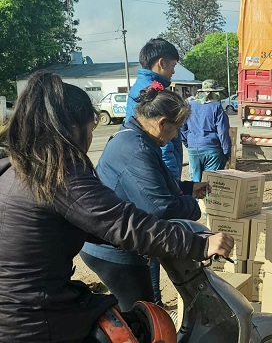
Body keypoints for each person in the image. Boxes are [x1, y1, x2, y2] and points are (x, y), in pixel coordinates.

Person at [0, 72, 234, 342]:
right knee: (146, 328)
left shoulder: (16, 165)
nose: (88, 141)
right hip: (35, 320)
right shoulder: (57, 172)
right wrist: (200, 244)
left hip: (19, 308)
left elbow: (98, 223)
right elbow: (122, 222)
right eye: (89, 131)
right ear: (71, 130)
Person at [80, 82, 211, 311]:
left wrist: (188, 188)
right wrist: (195, 206)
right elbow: (161, 209)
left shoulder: (137, 138)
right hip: (113, 248)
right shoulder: (136, 148)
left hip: (119, 238)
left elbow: (148, 185)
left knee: (138, 309)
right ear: (162, 124)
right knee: (142, 314)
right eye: (176, 128)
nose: (176, 135)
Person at [125, 38, 183, 182]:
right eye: (173, 65)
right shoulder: (154, 93)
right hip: (160, 168)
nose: (174, 71)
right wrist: (173, 181)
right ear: (162, 63)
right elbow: (163, 141)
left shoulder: (140, 87)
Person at [181, 79, 232, 181]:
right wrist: (227, 152)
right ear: (212, 94)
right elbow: (223, 132)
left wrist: (188, 143)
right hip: (212, 150)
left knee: (195, 183)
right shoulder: (216, 107)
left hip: (193, 149)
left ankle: (195, 197)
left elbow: (182, 127)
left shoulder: (190, 106)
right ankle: (206, 197)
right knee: (210, 183)